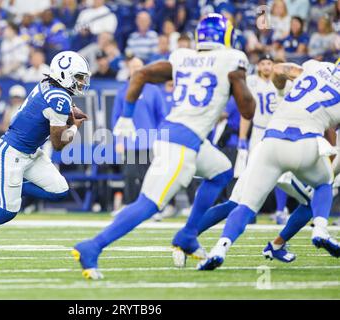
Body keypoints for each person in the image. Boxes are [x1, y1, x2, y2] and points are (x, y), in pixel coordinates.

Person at [72, 14, 255, 280]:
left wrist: (126, 116)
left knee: (222, 172)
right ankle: (92, 246)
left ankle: (189, 233)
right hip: (182, 143)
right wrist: (238, 79)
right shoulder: (232, 59)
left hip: (178, 135)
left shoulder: (183, 56)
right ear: (226, 36)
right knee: (148, 204)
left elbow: (142, 74)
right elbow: (248, 110)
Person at [198, 58, 340, 270]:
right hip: (305, 142)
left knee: (244, 205)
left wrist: (281, 90)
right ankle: (320, 228)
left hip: (269, 142)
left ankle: (220, 247)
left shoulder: (314, 66)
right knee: (324, 184)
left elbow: (279, 70)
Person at [0, 51, 91, 254]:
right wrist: (74, 127)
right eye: (78, 77)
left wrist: (69, 114)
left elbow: (53, 107)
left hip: (30, 152)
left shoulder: (49, 84)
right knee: (7, 211)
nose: (81, 82)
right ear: (65, 75)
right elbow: (58, 144)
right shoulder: (59, 98)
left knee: (60, 191)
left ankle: (7, 187)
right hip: (11, 152)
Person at [235, 54, 289, 224]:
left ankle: (281, 210)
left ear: (274, 66)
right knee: (252, 172)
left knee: (283, 173)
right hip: (258, 132)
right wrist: (242, 137)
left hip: (277, 130)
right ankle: (251, 210)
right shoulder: (251, 82)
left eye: (269, 63)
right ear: (258, 66)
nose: (266, 66)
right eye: (263, 63)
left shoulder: (282, 82)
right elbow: (246, 112)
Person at [111, 57, 167, 209]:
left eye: (138, 67)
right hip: (129, 142)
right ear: (128, 69)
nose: (135, 69)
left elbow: (162, 116)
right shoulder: (122, 91)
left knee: (148, 177)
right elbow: (117, 118)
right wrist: (119, 141)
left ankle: (151, 208)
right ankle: (129, 206)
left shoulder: (153, 90)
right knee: (129, 175)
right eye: (133, 67)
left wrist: (161, 138)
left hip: (149, 141)